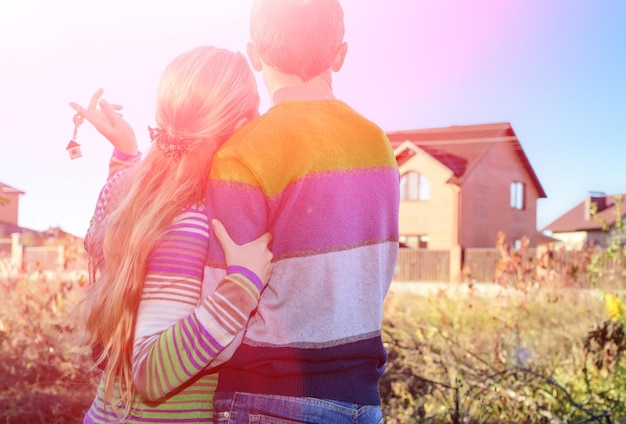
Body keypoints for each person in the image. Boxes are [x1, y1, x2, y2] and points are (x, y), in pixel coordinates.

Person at [204, 0, 400, 422]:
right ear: (340, 54)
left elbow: (218, 318)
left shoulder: (242, 152)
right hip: (363, 403)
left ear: (254, 55)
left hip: (265, 399)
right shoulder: (379, 145)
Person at [71, 45, 272, 423]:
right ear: (244, 126)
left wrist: (127, 155)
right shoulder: (191, 224)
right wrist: (242, 285)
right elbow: (150, 371)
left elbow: (106, 229)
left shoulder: (145, 202)